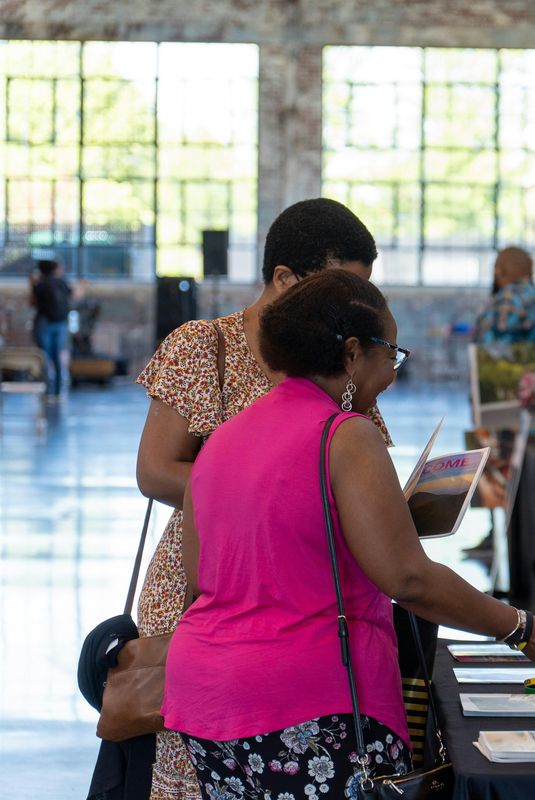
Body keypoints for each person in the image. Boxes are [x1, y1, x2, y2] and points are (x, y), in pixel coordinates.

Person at [164, 269, 535, 799]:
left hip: (205, 698)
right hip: (309, 703)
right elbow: (408, 579)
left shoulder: (222, 440)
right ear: (353, 353)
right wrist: (519, 627)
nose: (393, 374)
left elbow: (201, 575)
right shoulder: (345, 435)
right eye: (392, 354)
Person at [134, 198, 388, 800]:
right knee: (200, 778)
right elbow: (154, 470)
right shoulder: (205, 347)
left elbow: (362, 471)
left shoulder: (342, 358)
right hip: (208, 587)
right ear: (283, 279)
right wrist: (257, 492)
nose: (354, 307)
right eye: (340, 287)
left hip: (310, 599)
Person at [29, 259, 72, 397]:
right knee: (57, 356)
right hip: (60, 323)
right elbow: (72, 296)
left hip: (44, 323)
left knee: (44, 357)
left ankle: (48, 389)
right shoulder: (61, 282)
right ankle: (58, 389)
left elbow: (33, 303)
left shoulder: (40, 284)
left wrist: (31, 284)